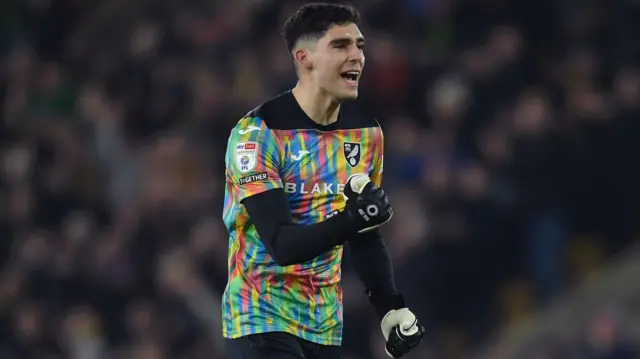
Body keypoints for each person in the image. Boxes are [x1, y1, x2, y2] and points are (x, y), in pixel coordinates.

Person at [221, 3, 424, 359]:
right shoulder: (258, 135)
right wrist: (354, 219)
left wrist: (390, 306)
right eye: (340, 46)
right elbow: (282, 245)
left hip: (324, 325)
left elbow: (365, 231)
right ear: (305, 58)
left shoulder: (366, 135)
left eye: (359, 46)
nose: (357, 56)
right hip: (259, 317)